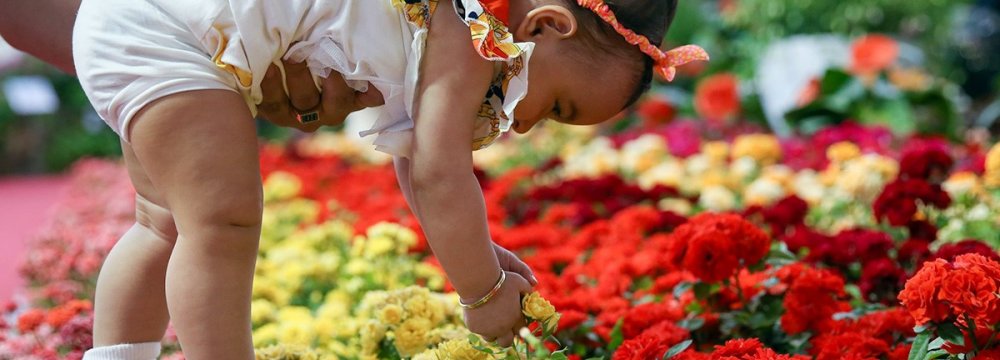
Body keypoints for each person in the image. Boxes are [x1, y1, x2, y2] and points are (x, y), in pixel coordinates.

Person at [67, 0, 707, 358]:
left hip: (144, 23)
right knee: (222, 219)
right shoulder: (473, 30)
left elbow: (416, 159)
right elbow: (437, 170)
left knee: (163, 225)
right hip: (167, 32)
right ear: (544, 26)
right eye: (560, 108)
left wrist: (480, 256)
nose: (534, 125)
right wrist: (482, 295)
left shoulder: (463, 30)